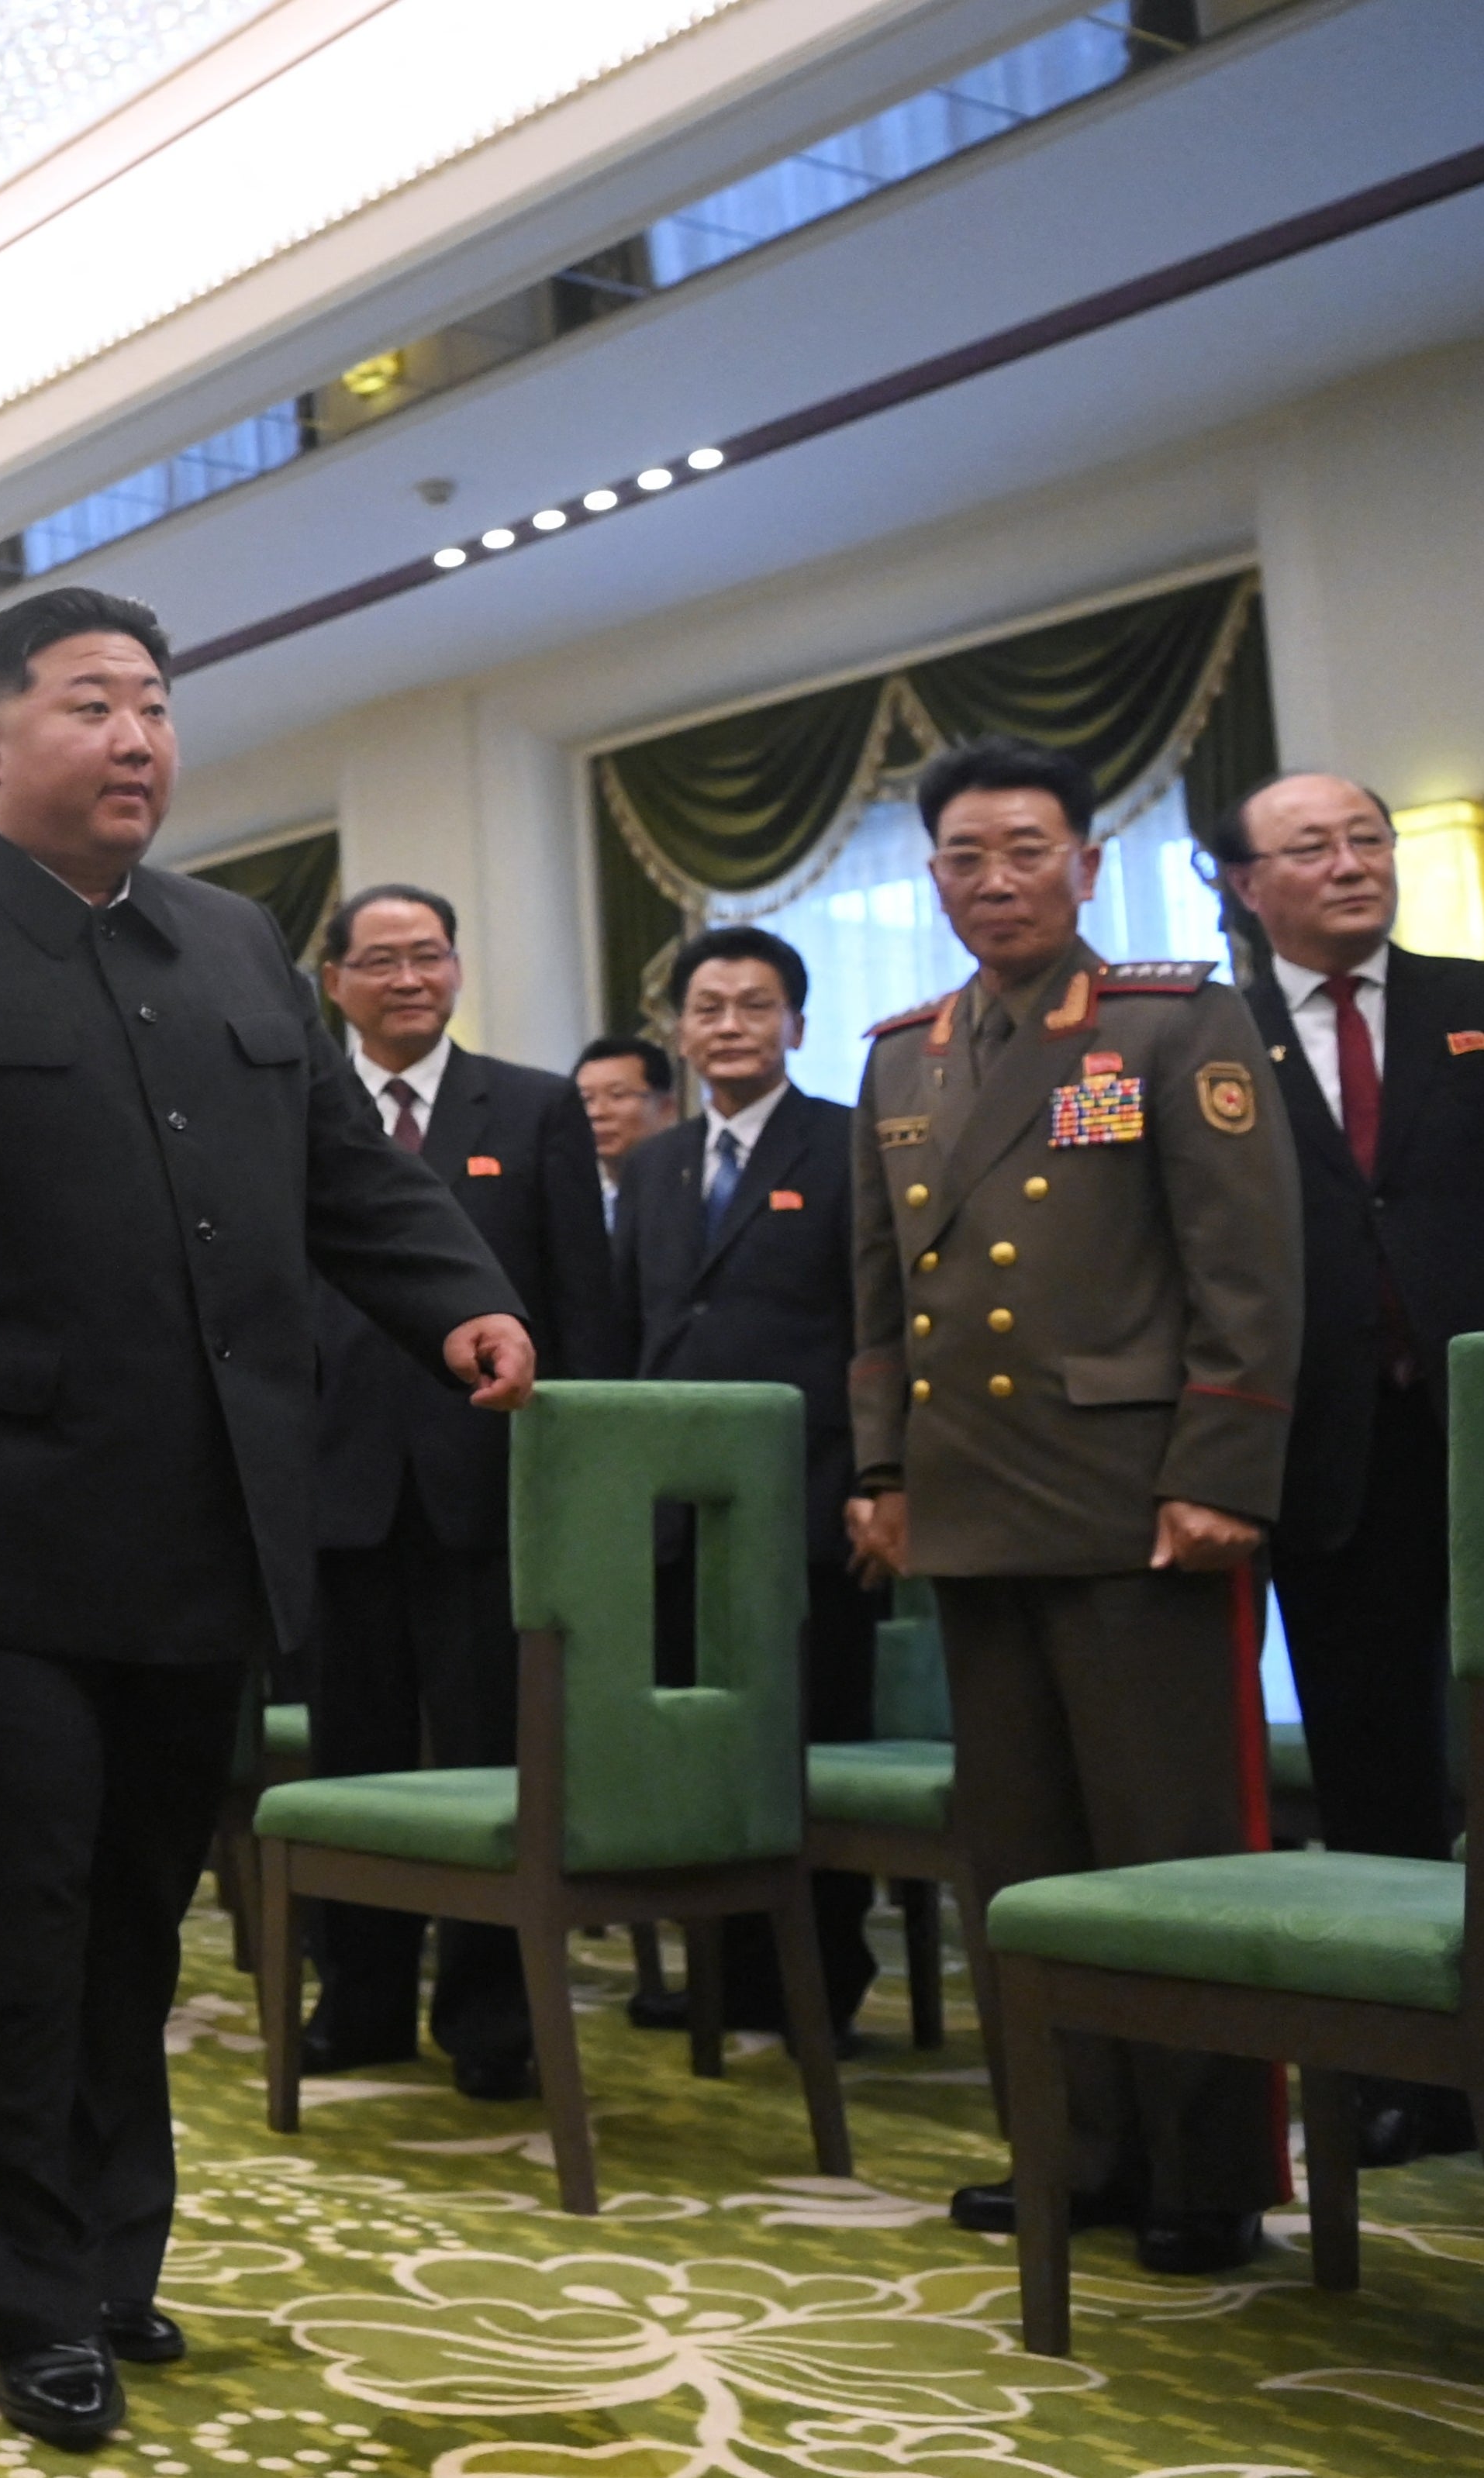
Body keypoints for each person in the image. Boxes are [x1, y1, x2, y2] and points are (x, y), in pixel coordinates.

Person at [0, 585, 529, 2451]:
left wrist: (460, 1291)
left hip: (205, 1522)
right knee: (8, 1902)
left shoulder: (234, 944)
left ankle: (103, 2250)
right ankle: (13, 2286)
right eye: (91, 707)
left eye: (155, 702)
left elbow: (337, 1175)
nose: (137, 737)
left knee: (141, 1904)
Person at [846, 733, 1300, 2277]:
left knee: (1167, 1850)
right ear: (933, 876)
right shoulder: (899, 1052)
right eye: (965, 857)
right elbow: (873, 1296)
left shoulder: (1174, 1022)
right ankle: (1075, 2146)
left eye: (1025, 850)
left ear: (1086, 864)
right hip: (974, 1508)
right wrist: (880, 1471)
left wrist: (1218, 1473)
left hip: (1135, 1506)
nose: (995, 881)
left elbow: (1243, 1270)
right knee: (1024, 1857)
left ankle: (1207, 2165)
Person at [299, 883, 616, 2093]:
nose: (406, 979)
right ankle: (358, 1999)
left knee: (494, 1756)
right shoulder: (297, 1109)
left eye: (426, 956)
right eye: (377, 961)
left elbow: (578, 1311)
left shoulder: (532, 1110)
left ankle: (491, 2016)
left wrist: (573, 1491)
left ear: (457, 970)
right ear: (334, 982)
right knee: (352, 1760)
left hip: (489, 1492)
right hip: (333, 1489)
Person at [1213, 771, 1484, 2167]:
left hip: (1477, 1423)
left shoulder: (1469, 999)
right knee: (1374, 1762)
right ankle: (1415, 2077)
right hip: (1325, 1443)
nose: (1347, 865)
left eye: (1364, 839)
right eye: (1307, 848)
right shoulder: (1206, 1035)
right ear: (1247, 886)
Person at [614, 924, 879, 2048]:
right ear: (677, 1031)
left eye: (753, 1007)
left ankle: (822, 1977)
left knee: (808, 1750)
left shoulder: (845, 1144)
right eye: (708, 1007)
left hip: (812, 1507)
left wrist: (878, 1475)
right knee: (698, 1760)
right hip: (677, 1511)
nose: (728, 1026)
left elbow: (874, 1325)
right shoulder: (654, 1164)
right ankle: (717, 1973)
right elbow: (633, 1331)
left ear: (795, 1027)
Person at [574, 1034, 678, 1231]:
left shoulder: (691, 1192)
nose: (597, 1112)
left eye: (617, 1095)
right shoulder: (574, 1201)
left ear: (666, 1108)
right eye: (586, 1099)